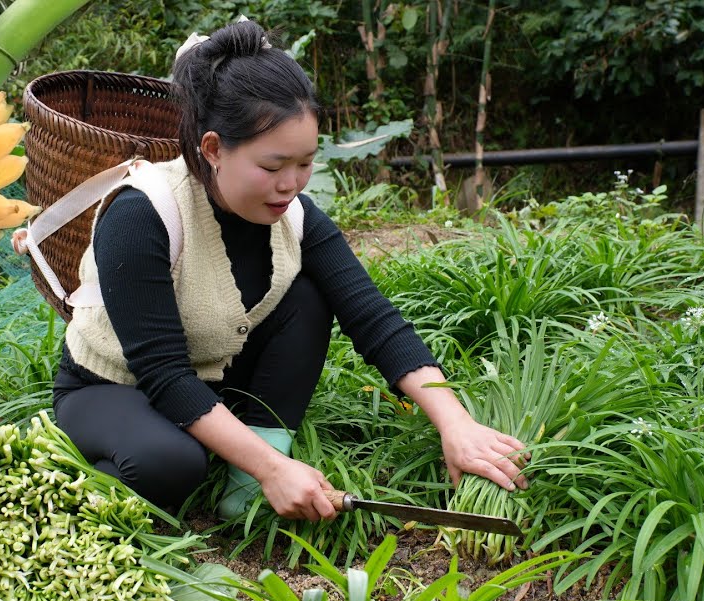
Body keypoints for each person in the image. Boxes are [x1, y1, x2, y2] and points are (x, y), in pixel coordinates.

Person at [51, 19, 528, 523]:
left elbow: (372, 316)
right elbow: (164, 373)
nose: (290, 184)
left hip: (214, 373)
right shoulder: (142, 214)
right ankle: (109, 481)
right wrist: (276, 468)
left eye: (305, 163)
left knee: (311, 295)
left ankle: (246, 484)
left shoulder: (294, 214)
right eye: (273, 166)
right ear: (213, 149)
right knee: (170, 464)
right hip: (114, 386)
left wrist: (455, 424)